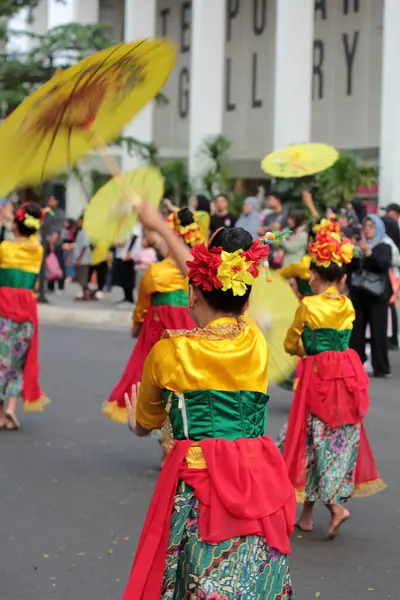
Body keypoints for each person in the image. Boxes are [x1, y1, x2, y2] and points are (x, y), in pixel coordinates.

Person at [121, 201, 295, 600]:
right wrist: (164, 233)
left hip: (200, 490)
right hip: (259, 483)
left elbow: (145, 422)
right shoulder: (254, 341)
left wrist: (135, 425)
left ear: (192, 293)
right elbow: (208, 283)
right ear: (247, 304)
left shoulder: (171, 352)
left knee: (198, 585)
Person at [279, 230, 385, 539]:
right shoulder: (347, 305)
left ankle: (335, 507)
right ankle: (308, 513)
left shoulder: (308, 306)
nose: (308, 276)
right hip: (344, 374)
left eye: (311, 271)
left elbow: (290, 344)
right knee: (330, 436)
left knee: (307, 437)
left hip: (317, 374)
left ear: (316, 274)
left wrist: (304, 349)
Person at [104, 208, 202, 426]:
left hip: (162, 340)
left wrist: (137, 326)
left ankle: (166, 440)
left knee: (160, 388)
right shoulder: (201, 271)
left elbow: (142, 308)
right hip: (193, 342)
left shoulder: (156, 272)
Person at [0, 203, 49, 429]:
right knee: (18, 363)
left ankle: (1, 413)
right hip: (27, 312)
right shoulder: (37, 251)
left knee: (2, 361)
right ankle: (10, 408)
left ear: (15, 225)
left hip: (4, 308)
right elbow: (32, 237)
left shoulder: (5, 249)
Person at [350, 215, 393, 377]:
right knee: (356, 332)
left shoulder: (383, 246)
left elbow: (383, 265)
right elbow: (352, 267)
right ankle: (356, 363)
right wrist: (354, 251)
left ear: (378, 229)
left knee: (378, 331)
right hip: (359, 293)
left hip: (377, 295)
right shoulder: (359, 246)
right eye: (365, 226)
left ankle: (381, 367)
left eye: (371, 226)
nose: (367, 229)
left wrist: (368, 252)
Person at [112, 225, 139, 307]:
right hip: (119, 255)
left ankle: (130, 298)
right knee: (122, 277)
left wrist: (129, 252)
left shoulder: (132, 225)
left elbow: (134, 237)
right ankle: (126, 297)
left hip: (127, 256)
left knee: (128, 278)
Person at [44, 195, 66, 294]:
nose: (50, 201)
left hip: (56, 243)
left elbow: (57, 230)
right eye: (49, 200)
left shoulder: (60, 213)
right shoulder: (46, 212)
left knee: (59, 265)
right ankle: (50, 286)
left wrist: (52, 242)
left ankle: (60, 286)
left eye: (53, 200)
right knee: (49, 264)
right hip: (47, 241)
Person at [73, 214, 92, 301]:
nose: (78, 223)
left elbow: (84, 246)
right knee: (80, 278)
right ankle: (87, 294)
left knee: (83, 278)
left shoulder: (86, 232)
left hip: (83, 259)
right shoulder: (80, 232)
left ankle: (86, 295)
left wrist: (79, 259)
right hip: (80, 258)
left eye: (79, 221)